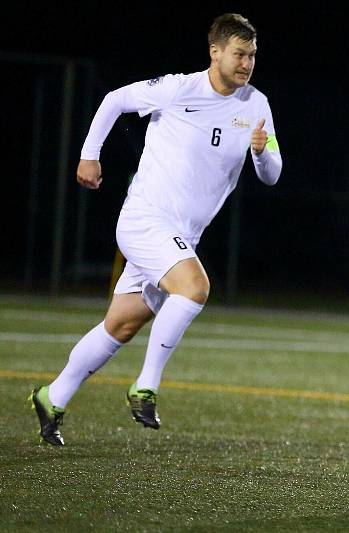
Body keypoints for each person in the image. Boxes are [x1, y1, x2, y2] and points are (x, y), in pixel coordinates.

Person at [29, 13, 282, 446]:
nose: (246, 64)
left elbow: (272, 173)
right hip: (146, 219)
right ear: (215, 51)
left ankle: (53, 395)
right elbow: (113, 100)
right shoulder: (178, 89)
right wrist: (90, 155)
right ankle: (145, 385)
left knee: (122, 325)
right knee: (194, 287)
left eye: (253, 56)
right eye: (239, 54)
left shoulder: (256, 104)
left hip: (182, 235)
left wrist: (261, 153)